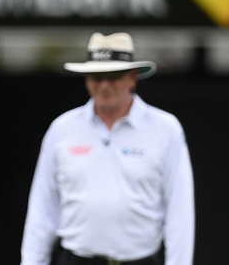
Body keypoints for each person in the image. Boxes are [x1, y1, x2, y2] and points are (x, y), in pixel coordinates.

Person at [20, 32, 194, 265]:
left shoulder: (165, 128)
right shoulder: (62, 129)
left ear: (133, 77)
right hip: (75, 260)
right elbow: (42, 208)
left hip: (140, 260)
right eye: (97, 75)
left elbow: (180, 211)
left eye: (113, 75)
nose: (104, 84)